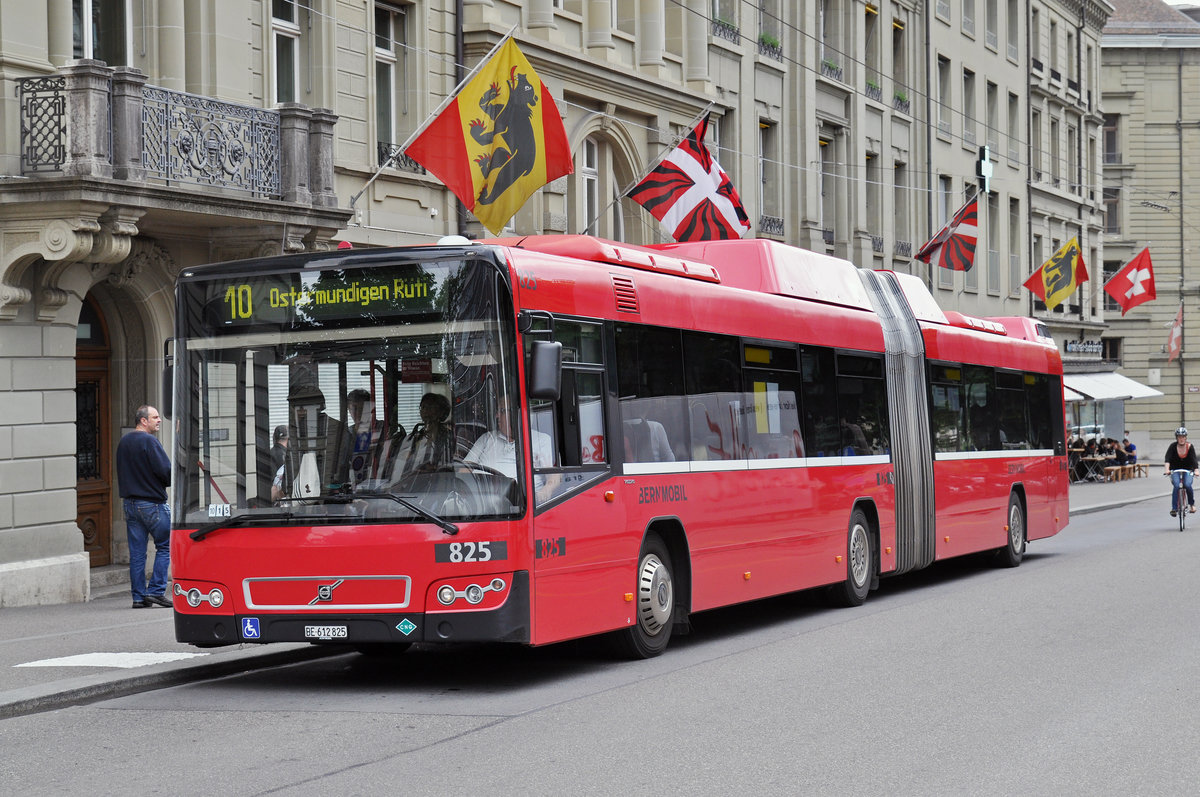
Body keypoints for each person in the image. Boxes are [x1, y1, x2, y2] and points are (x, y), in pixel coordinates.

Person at [115, 405, 172, 609]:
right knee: (165, 546)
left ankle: (138, 597)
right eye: (155, 417)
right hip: (152, 503)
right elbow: (166, 471)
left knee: (137, 553)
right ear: (143, 421)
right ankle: (156, 591)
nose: (159, 420)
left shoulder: (124, 442)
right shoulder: (150, 441)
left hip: (130, 503)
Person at [466, 403, 557, 500]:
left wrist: (546, 491)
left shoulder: (541, 440)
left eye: (501, 411)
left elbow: (554, 476)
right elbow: (465, 468)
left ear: (516, 414)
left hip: (516, 506)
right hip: (475, 501)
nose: (497, 415)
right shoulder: (487, 438)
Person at [389, 392, 455, 479]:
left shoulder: (449, 436)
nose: (425, 411)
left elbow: (448, 463)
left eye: (430, 407)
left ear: (441, 411)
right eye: (423, 407)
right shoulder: (415, 437)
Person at [1163, 426, 1200, 516]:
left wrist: (1196, 470)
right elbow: (1167, 459)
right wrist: (1167, 470)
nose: (1181, 439)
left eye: (1183, 437)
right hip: (1175, 469)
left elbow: (1194, 460)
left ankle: (1191, 504)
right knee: (1176, 486)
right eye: (1179, 437)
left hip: (1188, 470)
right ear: (1176, 438)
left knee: (1187, 485)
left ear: (1186, 437)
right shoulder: (1172, 446)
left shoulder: (1190, 447)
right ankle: (1174, 509)